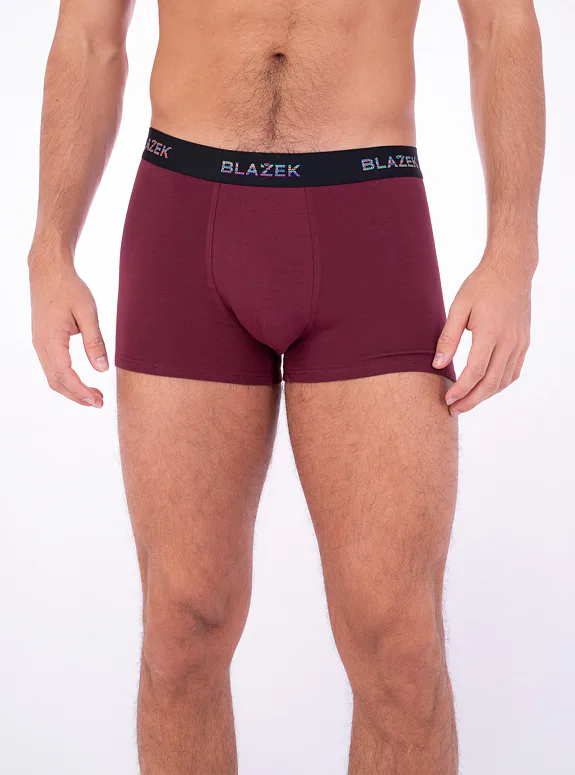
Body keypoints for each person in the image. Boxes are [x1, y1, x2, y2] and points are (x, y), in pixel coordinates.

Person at [27, 0, 545, 772]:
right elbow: (90, 37)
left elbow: (502, 25)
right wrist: (50, 250)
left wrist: (512, 253)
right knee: (181, 630)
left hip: (368, 217)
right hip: (184, 211)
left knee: (400, 650)